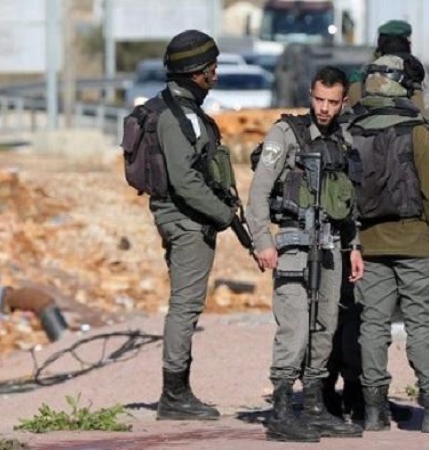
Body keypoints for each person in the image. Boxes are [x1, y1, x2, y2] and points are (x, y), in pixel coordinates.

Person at [247, 66, 364, 442]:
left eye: (332, 102)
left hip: (331, 245)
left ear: (343, 102)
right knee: (295, 327)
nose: (324, 108)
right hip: (294, 244)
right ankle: (282, 409)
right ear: (310, 96)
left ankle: (314, 405)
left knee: (324, 327)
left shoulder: (344, 138)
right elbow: (258, 193)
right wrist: (263, 241)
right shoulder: (286, 133)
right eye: (319, 99)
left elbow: (349, 200)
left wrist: (354, 246)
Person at [348, 53, 429, 434]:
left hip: (369, 244)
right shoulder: (417, 129)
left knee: (372, 326)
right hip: (418, 244)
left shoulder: (353, 128)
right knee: (421, 326)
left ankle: (374, 411)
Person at [151, 30, 236, 421]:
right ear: (195, 72)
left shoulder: (184, 109)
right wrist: (223, 214)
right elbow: (185, 181)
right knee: (184, 307)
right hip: (186, 220)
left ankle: (177, 392)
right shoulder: (176, 116)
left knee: (185, 305)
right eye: (211, 69)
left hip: (185, 217)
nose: (215, 75)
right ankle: (174, 395)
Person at [347, 20, 429, 123]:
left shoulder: (373, 64)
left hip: (373, 122)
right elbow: (425, 101)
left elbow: (357, 81)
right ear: (406, 42)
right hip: (409, 123)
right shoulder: (413, 64)